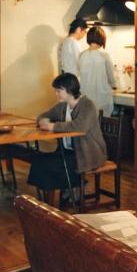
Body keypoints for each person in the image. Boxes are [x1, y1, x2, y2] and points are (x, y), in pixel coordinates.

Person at [29, 72, 107, 209]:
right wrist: (44, 120)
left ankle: (67, 192)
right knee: (39, 160)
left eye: (59, 91)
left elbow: (79, 127)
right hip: (69, 151)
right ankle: (54, 199)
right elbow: (43, 115)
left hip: (88, 153)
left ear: (70, 90)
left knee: (51, 165)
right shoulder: (63, 106)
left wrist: (53, 126)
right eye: (56, 91)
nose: (56, 94)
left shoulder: (87, 105)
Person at [78, 25, 116, 117]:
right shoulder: (104, 55)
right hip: (102, 99)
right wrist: (114, 86)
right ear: (102, 39)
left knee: (89, 126)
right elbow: (111, 78)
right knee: (101, 126)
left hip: (85, 99)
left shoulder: (81, 55)